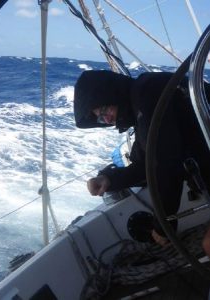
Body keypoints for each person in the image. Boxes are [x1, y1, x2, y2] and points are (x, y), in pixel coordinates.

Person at [73, 69, 210, 246]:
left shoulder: (147, 94)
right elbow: (145, 164)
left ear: (113, 94)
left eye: (104, 110)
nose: (106, 120)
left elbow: (165, 165)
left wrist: (164, 223)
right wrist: (109, 179)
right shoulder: (141, 107)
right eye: (100, 118)